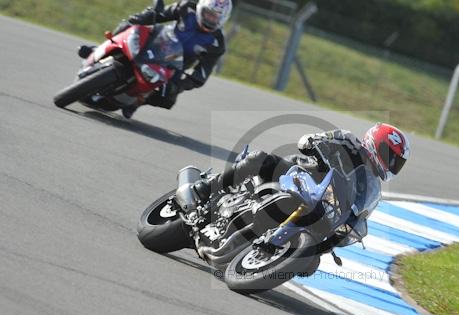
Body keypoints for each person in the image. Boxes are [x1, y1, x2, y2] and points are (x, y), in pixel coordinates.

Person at [195, 123, 410, 220]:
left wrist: (355, 221)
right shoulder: (348, 140)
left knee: (310, 265)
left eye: (396, 163)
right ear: (377, 142)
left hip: (320, 203)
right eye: (390, 157)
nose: (391, 165)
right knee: (258, 159)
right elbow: (310, 140)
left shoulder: (371, 184)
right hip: (297, 174)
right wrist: (313, 142)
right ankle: (208, 187)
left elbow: (359, 210)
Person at [79, 0, 232, 119]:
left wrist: (179, 86)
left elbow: (201, 75)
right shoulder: (187, 7)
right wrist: (148, 15)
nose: (210, 19)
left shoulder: (217, 43)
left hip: (175, 66)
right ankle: (100, 48)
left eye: (215, 17)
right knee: (130, 24)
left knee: (168, 99)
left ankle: (138, 101)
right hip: (159, 42)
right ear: (201, 8)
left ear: (223, 18)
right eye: (208, 13)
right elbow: (160, 15)